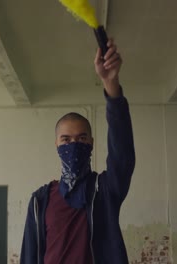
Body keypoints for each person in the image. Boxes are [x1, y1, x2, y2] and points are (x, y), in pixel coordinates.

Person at [21, 39, 135, 264]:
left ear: (91, 142)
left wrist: (111, 86)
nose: (73, 145)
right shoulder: (40, 200)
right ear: (56, 144)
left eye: (81, 138)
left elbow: (122, 155)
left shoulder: (104, 191)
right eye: (66, 139)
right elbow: (29, 256)